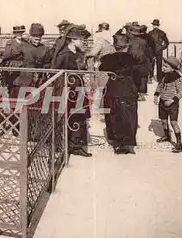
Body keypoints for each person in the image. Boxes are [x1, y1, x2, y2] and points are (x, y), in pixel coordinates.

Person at [52, 24, 91, 157]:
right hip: (67, 90)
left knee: (79, 116)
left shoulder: (78, 53)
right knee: (65, 116)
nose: (83, 42)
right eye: (81, 40)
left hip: (78, 88)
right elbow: (55, 73)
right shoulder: (64, 55)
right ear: (73, 40)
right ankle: (62, 145)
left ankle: (76, 145)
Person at [99, 32, 138, 155]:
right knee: (128, 116)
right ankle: (127, 144)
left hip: (113, 90)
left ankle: (117, 143)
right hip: (128, 91)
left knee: (113, 116)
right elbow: (141, 72)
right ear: (127, 46)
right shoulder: (132, 59)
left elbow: (101, 67)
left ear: (115, 46)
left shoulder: (108, 59)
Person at [153, 56, 182, 153]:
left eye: (165, 66)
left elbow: (181, 93)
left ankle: (179, 144)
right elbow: (160, 86)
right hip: (162, 102)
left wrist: (172, 100)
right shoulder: (164, 76)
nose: (163, 68)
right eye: (163, 66)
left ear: (172, 68)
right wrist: (156, 95)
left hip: (172, 104)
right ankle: (167, 136)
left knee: (173, 123)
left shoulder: (176, 78)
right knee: (163, 121)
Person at [127, 24, 151, 100]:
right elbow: (148, 52)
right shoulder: (144, 41)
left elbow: (129, 52)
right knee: (142, 78)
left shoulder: (130, 42)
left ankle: (134, 93)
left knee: (134, 78)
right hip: (143, 62)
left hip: (133, 62)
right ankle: (141, 95)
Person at [2, 25, 26, 90]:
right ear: (14, 33)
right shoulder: (10, 43)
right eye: (17, 32)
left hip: (23, 65)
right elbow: (7, 55)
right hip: (13, 66)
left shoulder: (25, 42)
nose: (19, 34)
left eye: (21, 32)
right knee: (13, 84)